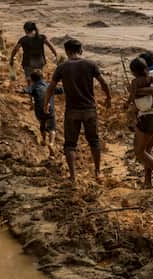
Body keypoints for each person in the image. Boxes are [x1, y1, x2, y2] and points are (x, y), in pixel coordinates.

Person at [45, 39, 112, 182]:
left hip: (72, 111)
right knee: (94, 141)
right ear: (81, 50)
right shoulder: (90, 65)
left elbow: (50, 88)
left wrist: (46, 104)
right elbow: (104, 83)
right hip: (89, 109)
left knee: (70, 145)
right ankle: (98, 172)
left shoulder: (62, 67)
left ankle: (73, 176)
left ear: (67, 51)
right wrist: (108, 99)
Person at [127, 57, 153, 187]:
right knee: (147, 150)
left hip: (148, 117)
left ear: (133, 72)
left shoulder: (149, 76)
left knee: (139, 152)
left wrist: (131, 94)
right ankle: (148, 182)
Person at [22, 69, 61, 153]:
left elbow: (27, 90)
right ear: (42, 77)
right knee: (52, 128)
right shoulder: (49, 86)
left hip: (39, 111)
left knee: (42, 125)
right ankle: (51, 143)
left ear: (32, 79)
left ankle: (43, 140)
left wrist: (22, 90)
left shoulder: (33, 86)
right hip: (50, 110)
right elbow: (60, 90)